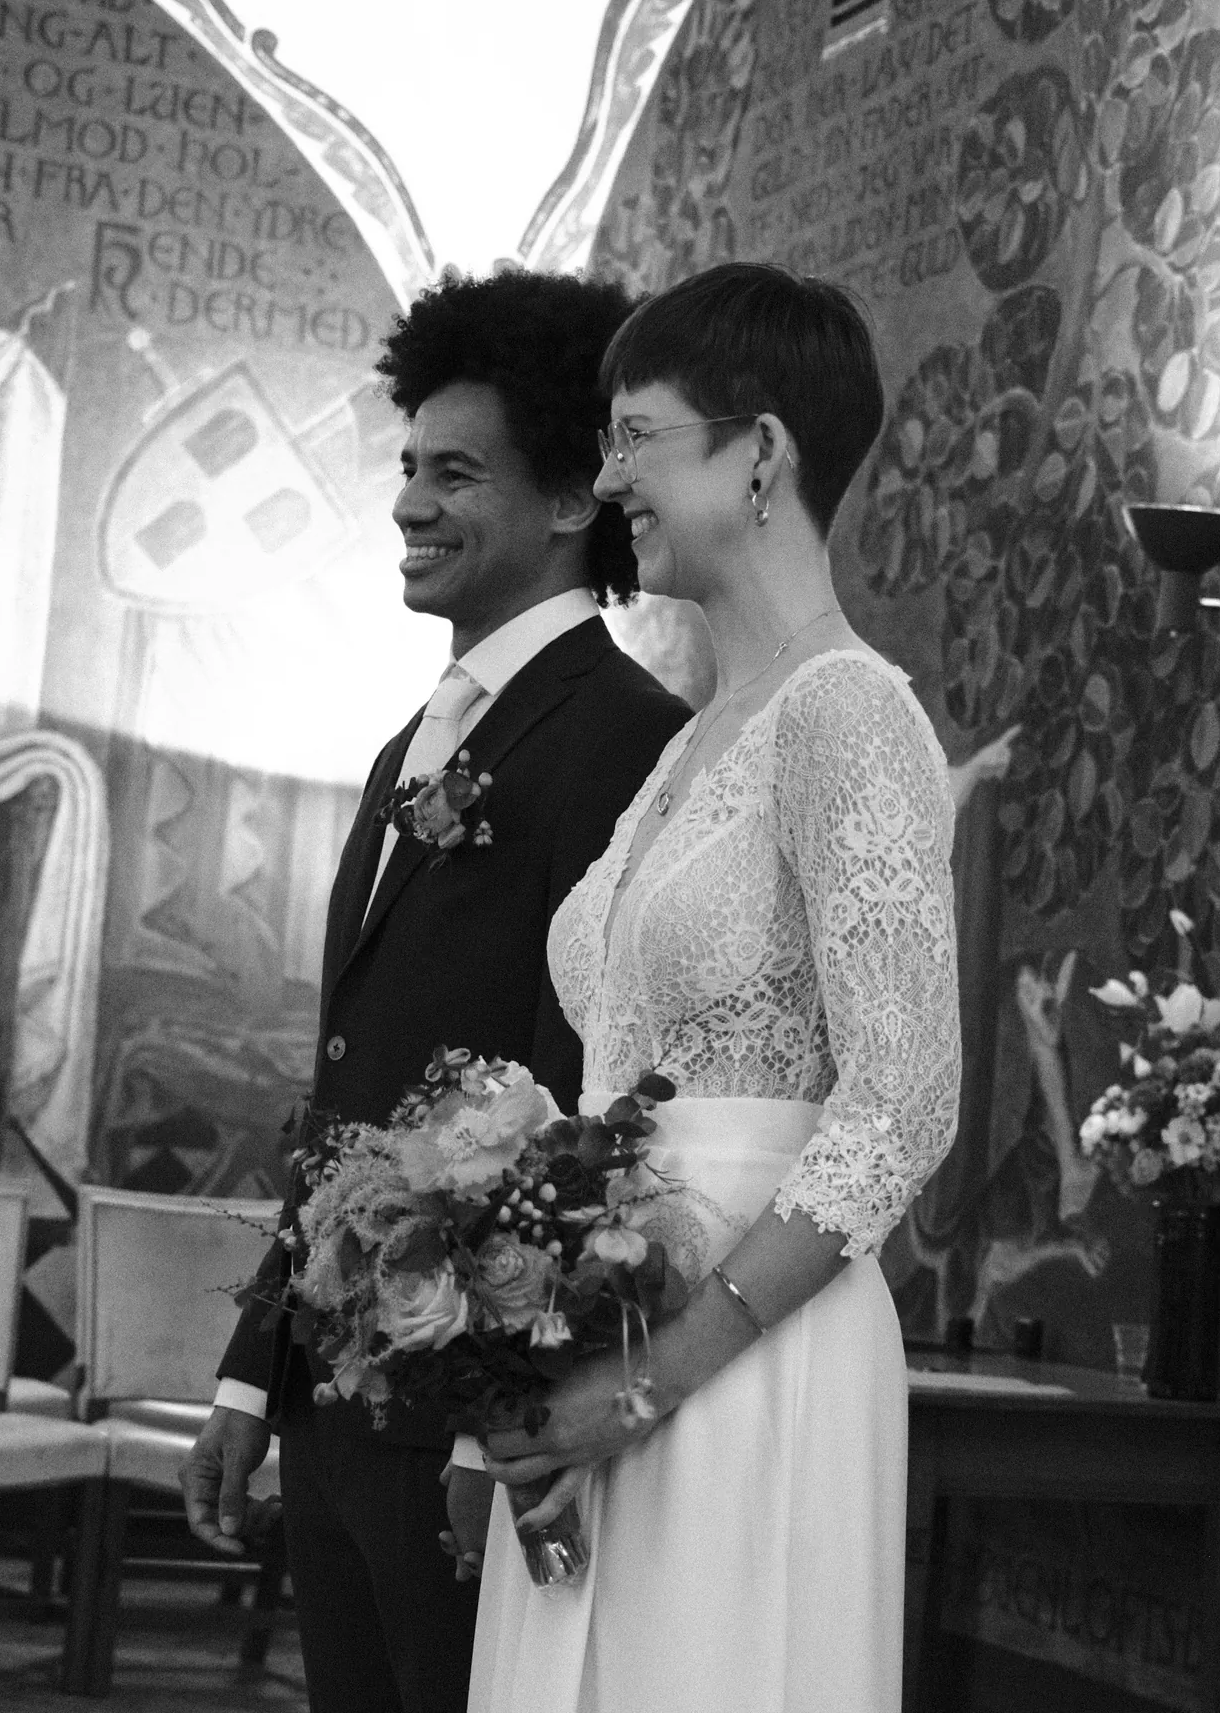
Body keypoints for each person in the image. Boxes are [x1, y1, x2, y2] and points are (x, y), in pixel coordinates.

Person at [179, 268, 690, 1713]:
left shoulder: (628, 738)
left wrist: (490, 1427)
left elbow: (581, 1096)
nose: (408, 502)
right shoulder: (408, 743)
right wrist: (251, 1375)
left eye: (455, 473)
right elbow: (341, 1082)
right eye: (408, 467)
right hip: (337, 1390)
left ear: (573, 498)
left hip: (464, 1409)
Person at [466, 262, 963, 1713]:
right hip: (603, 1343)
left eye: (638, 436)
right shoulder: (693, 740)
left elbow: (903, 1104)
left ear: (762, 454)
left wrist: (651, 1381)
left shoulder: (849, 713)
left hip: (746, 1360)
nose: (610, 476)